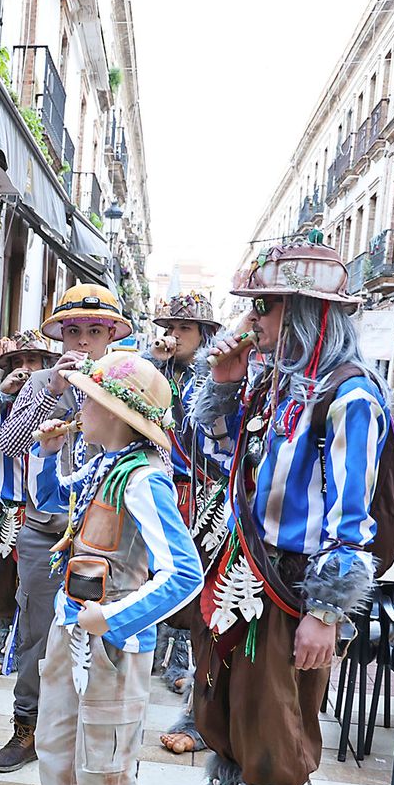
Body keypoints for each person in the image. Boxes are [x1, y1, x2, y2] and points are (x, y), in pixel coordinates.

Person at [153, 238, 390, 785]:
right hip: (242, 570)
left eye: (267, 307)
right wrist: (225, 388)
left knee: (274, 716)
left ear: (308, 313)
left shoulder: (351, 398)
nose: (253, 319)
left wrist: (326, 611)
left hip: (292, 585)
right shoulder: (275, 383)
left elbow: (351, 517)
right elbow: (222, 455)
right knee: (229, 698)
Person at [5, 351, 203, 785]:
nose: (80, 407)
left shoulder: (144, 480)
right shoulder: (106, 466)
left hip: (113, 648)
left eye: (90, 400)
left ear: (116, 414)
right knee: (57, 742)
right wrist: (49, 450)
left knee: (107, 764)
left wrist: (114, 618)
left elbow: (184, 573)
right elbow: (61, 492)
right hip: (74, 629)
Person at [0, 285, 130, 773]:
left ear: (111, 336)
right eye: (74, 331)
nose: (84, 341)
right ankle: (26, 728)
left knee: (100, 640)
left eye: (95, 331)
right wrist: (53, 391)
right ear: (61, 335)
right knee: (35, 634)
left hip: (104, 538)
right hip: (44, 531)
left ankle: (90, 739)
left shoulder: (124, 382)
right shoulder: (40, 382)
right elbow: (9, 445)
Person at [149, 292, 228, 753]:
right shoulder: (161, 368)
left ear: (203, 335)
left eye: (184, 328)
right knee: (162, 572)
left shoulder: (211, 377)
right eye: (171, 326)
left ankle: (185, 668)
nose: (173, 335)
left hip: (203, 495)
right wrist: (154, 365)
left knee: (196, 581)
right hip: (162, 486)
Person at [0, 331, 59, 676]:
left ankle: (33, 641)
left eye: (32, 362)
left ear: (45, 366)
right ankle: (0, 634)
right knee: (1, 573)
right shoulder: (0, 401)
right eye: (18, 362)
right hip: (5, 501)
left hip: (42, 506)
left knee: (38, 577)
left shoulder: (57, 398)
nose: (25, 369)